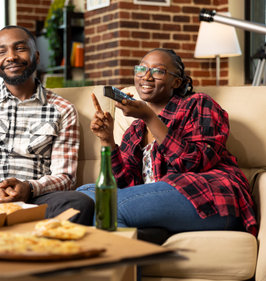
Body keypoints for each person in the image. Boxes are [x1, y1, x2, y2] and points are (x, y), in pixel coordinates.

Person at [77, 48, 258, 237]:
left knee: (110, 207)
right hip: (159, 202)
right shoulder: (135, 131)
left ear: (176, 81)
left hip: (210, 198)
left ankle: (135, 249)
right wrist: (107, 140)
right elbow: (124, 183)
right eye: (141, 69)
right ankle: (148, 239)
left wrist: (149, 117)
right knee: (84, 195)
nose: (146, 76)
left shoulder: (198, 104)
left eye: (158, 71)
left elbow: (194, 163)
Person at [0, 25, 94, 226]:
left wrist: (30, 188)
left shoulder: (63, 109)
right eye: (2, 52)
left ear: (36, 55)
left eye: (20, 48)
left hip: (37, 200)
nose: (11, 57)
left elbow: (65, 177)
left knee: (79, 203)